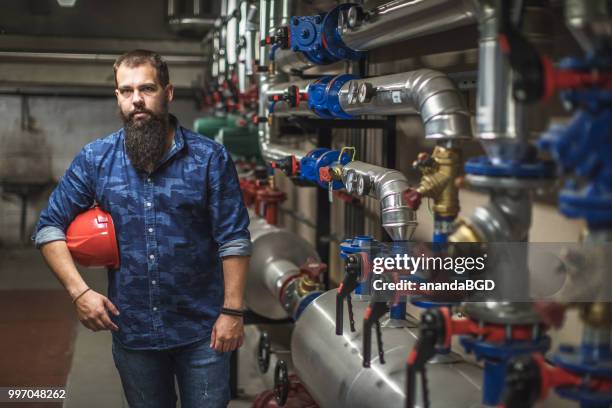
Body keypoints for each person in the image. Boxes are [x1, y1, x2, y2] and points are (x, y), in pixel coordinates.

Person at [33, 49, 251, 408]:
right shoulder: (96, 159)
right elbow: (48, 227)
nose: (136, 100)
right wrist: (80, 293)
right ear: (118, 96)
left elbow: (233, 238)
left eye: (147, 88)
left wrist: (233, 312)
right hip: (133, 332)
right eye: (126, 91)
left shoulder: (209, 158)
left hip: (203, 331)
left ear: (168, 92)